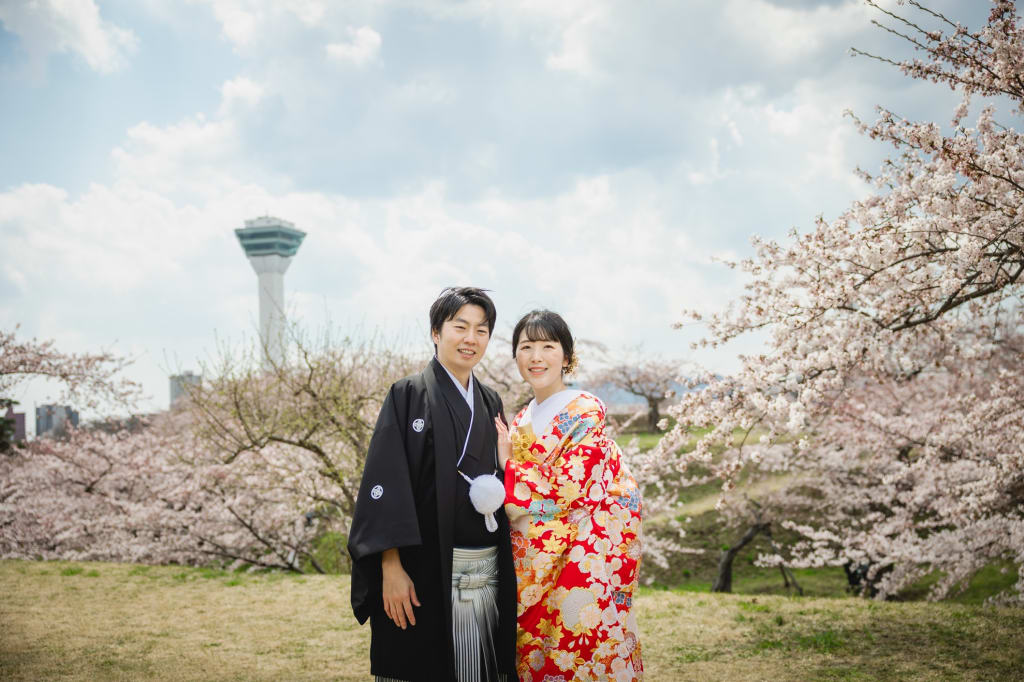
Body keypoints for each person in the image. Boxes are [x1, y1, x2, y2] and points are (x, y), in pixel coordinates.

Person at [348, 287, 517, 682]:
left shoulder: (490, 400)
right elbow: (384, 482)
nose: (471, 338)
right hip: (420, 570)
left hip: (482, 571)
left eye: (481, 330)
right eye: (460, 326)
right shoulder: (407, 394)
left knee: (478, 669)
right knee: (418, 666)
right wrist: (390, 567)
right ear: (436, 333)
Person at [494, 310, 643, 681]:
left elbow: (574, 487)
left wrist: (509, 466)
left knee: (579, 641)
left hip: (581, 551)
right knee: (535, 650)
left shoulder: (585, 409)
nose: (536, 357)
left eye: (548, 346)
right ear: (516, 356)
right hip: (534, 557)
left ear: (567, 356)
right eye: (526, 347)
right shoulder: (520, 419)